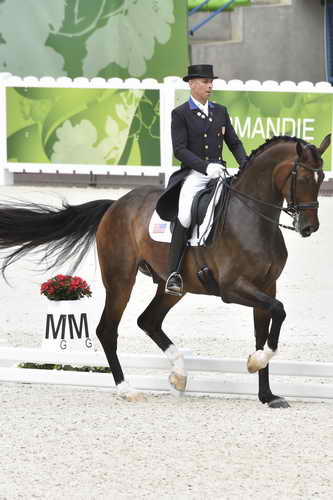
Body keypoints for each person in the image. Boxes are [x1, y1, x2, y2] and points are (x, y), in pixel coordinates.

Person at [156, 64, 247, 296]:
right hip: (195, 174)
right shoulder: (180, 113)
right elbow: (180, 150)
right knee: (185, 214)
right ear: (192, 84)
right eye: (205, 82)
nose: (210, 86)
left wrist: (246, 165)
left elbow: (234, 143)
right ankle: (174, 273)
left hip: (220, 172)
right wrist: (206, 167)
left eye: (211, 82)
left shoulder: (220, 111)